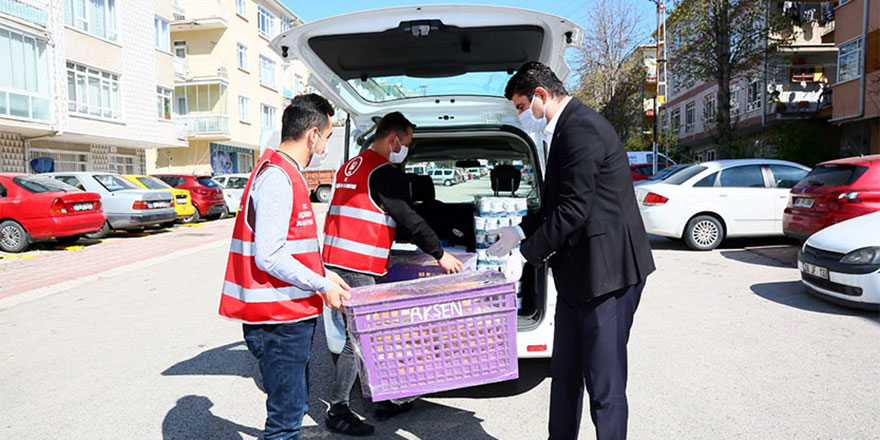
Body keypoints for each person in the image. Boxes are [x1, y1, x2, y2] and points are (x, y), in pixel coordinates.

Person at [488, 62, 656, 440]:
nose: (520, 116)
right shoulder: (560, 131)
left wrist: (526, 255)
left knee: (604, 386)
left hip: (608, 277)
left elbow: (573, 210)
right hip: (577, 277)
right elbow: (555, 205)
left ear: (541, 96)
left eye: (520, 106)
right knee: (564, 375)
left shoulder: (582, 128)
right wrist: (518, 230)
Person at [321, 111, 464, 436]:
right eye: (406, 144)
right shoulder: (384, 171)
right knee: (356, 339)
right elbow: (408, 218)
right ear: (393, 139)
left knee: (369, 335)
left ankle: (382, 398)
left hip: (336, 260)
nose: (406, 152)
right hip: (357, 265)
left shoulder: (351, 165)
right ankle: (338, 408)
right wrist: (439, 254)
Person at [218, 93, 351, 440]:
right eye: (328, 136)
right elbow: (270, 256)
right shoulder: (278, 177)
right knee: (286, 420)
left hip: (286, 315)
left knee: (291, 407)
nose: (326, 144)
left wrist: (326, 274)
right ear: (313, 135)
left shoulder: (285, 172)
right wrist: (322, 285)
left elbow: (294, 247)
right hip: (278, 320)